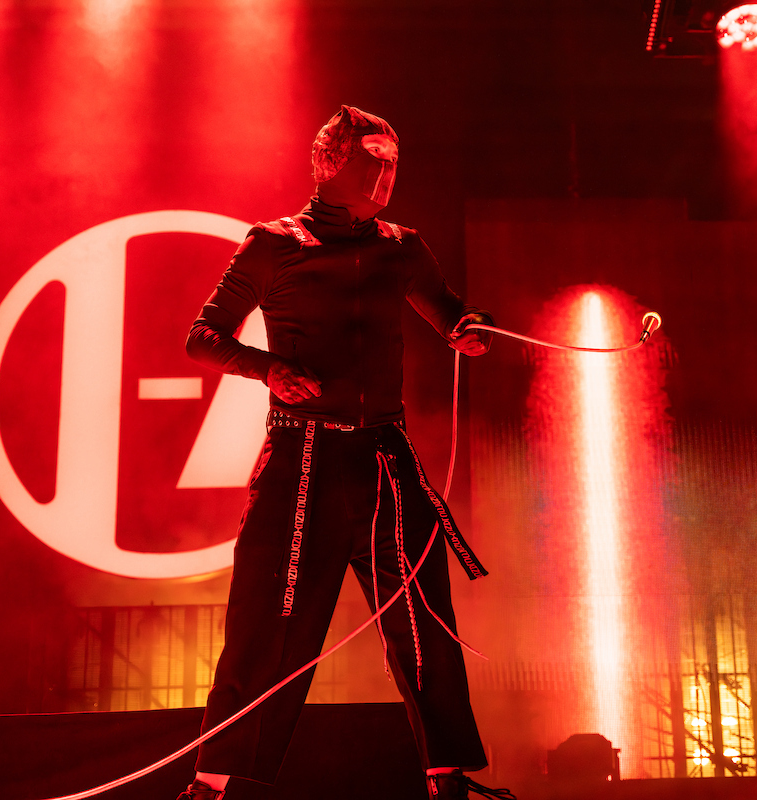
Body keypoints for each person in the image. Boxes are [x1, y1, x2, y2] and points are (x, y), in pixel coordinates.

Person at [178, 105, 500, 800]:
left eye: (392, 165)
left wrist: (469, 328)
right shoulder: (273, 244)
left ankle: (447, 778)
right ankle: (212, 785)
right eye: (371, 163)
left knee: (424, 619)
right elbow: (203, 337)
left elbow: (448, 310)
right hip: (301, 464)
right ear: (331, 164)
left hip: (385, 460)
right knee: (266, 625)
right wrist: (269, 369)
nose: (384, 178)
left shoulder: (402, 247)